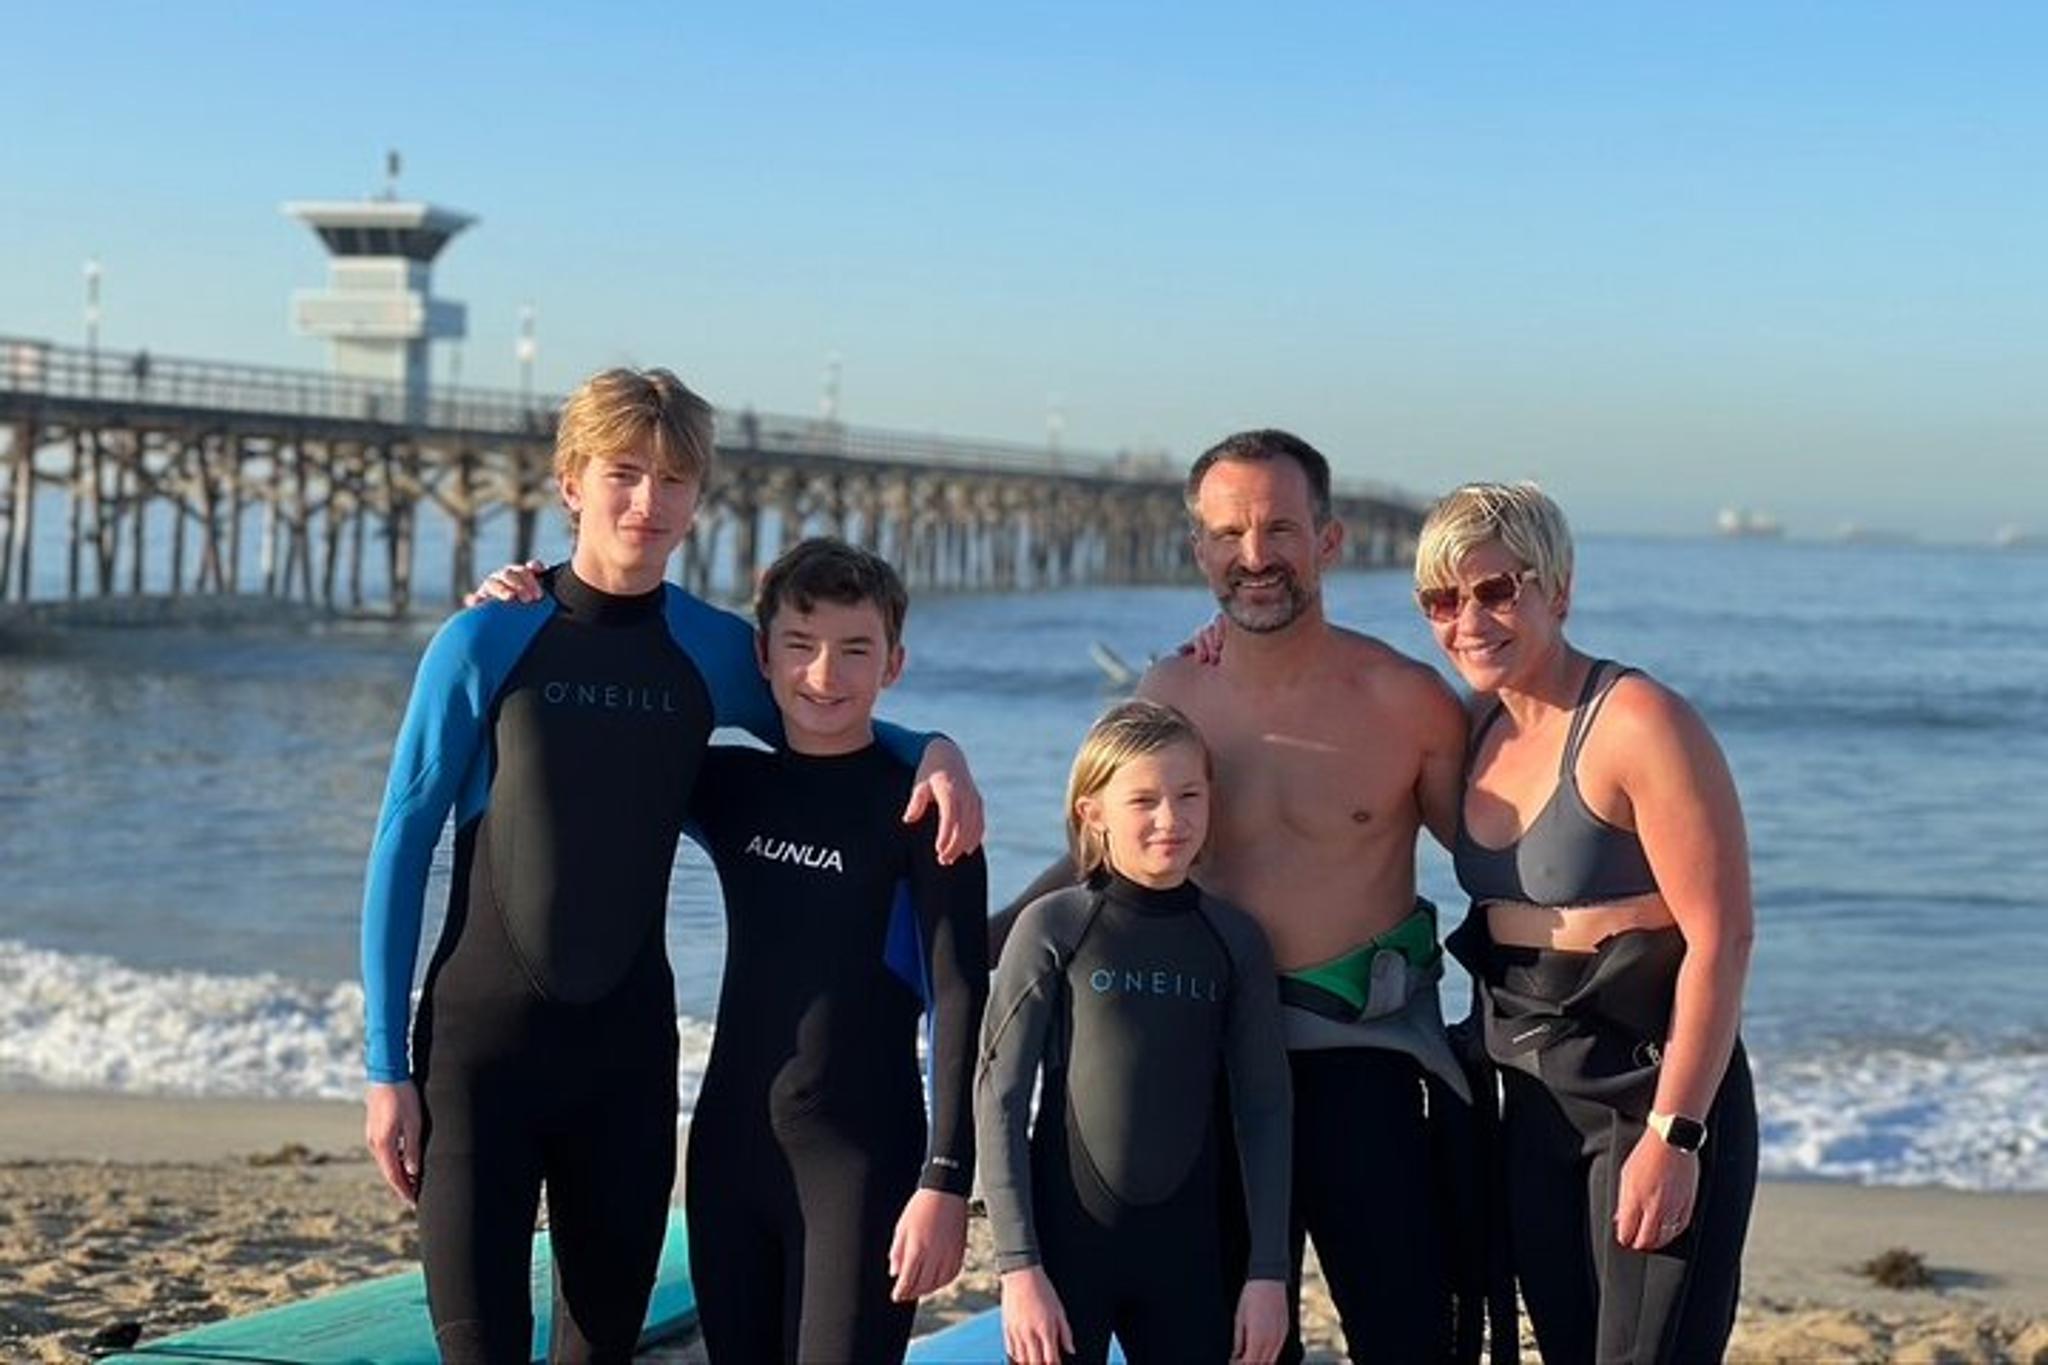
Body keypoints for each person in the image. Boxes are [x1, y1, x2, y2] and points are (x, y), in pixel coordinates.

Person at [361, 368, 982, 1363]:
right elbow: (401, 842)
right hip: (478, 1058)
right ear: (570, 482)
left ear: (698, 499)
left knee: (599, 1349)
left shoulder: (711, 649)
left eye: (673, 480)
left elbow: (825, 702)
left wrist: (932, 748)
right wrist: (384, 1067)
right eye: (622, 474)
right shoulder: (484, 639)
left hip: (626, 1061)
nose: (647, 503)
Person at [996, 430, 1474, 1363]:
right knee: (1236, 1345)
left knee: (1411, 1333)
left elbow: (1503, 861)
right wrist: (978, 942)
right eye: (1228, 534)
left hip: (1358, 1061)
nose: (1254, 557)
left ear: (1328, 542)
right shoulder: (1175, 691)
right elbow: (1108, 860)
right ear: (1199, 549)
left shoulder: (1408, 700)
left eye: (1279, 530)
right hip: (1197, 1059)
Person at [1421, 483, 1758, 1364]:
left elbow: (1722, 938)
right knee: (1569, 1345)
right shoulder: (1469, 726)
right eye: (1443, 599)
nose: (1470, 620)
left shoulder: (1640, 723)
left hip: (1645, 1079)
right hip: (1534, 1084)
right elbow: (1332, 747)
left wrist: (1676, 1133)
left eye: (1499, 589)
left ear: (1559, 590)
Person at [683, 537, 987, 1363]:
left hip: (863, 1158)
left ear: (893, 662)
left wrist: (946, 1180)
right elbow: (624, 692)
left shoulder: (928, 811)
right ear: (763, 654)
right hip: (726, 1152)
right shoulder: (726, 784)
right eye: (801, 645)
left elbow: (960, 996)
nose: (825, 674)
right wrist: (537, 598)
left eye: (857, 649)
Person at [978, 699, 1291, 1365]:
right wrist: (1019, 1270)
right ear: (1093, 811)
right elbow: (1000, 1098)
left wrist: (1268, 1274)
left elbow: (1264, 1109)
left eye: (1188, 794)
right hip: (1066, 1256)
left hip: (1191, 1260)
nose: (1171, 819)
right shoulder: (1055, 926)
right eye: (1143, 799)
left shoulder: (1234, 939)